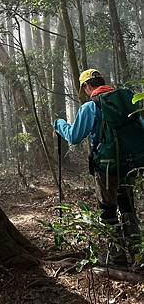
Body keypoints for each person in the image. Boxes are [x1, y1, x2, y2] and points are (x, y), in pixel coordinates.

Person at [53, 69, 143, 266]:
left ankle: (117, 258)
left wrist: (59, 124)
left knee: (107, 209)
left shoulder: (90, 107)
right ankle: (138, 254)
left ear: (87, 86)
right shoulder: (126, 100)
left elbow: (74, 136)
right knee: (128, 206)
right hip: (129, 165)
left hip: (106, 168)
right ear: (103, 81)